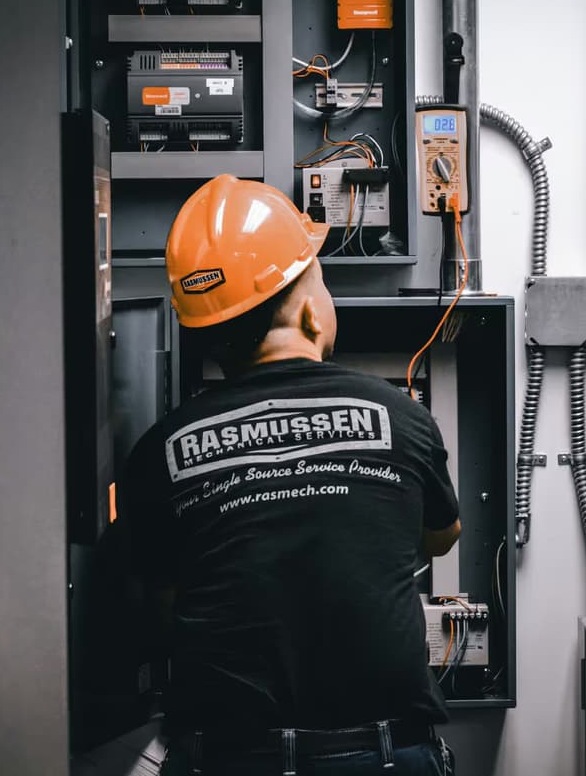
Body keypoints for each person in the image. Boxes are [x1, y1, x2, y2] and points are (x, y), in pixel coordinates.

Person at [119, 174, 462, 776]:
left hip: (227, 759)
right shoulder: (401, 418)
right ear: (309, 313)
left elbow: (166, 605)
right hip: (381, 759)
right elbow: (440, 537)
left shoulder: (158, 452)